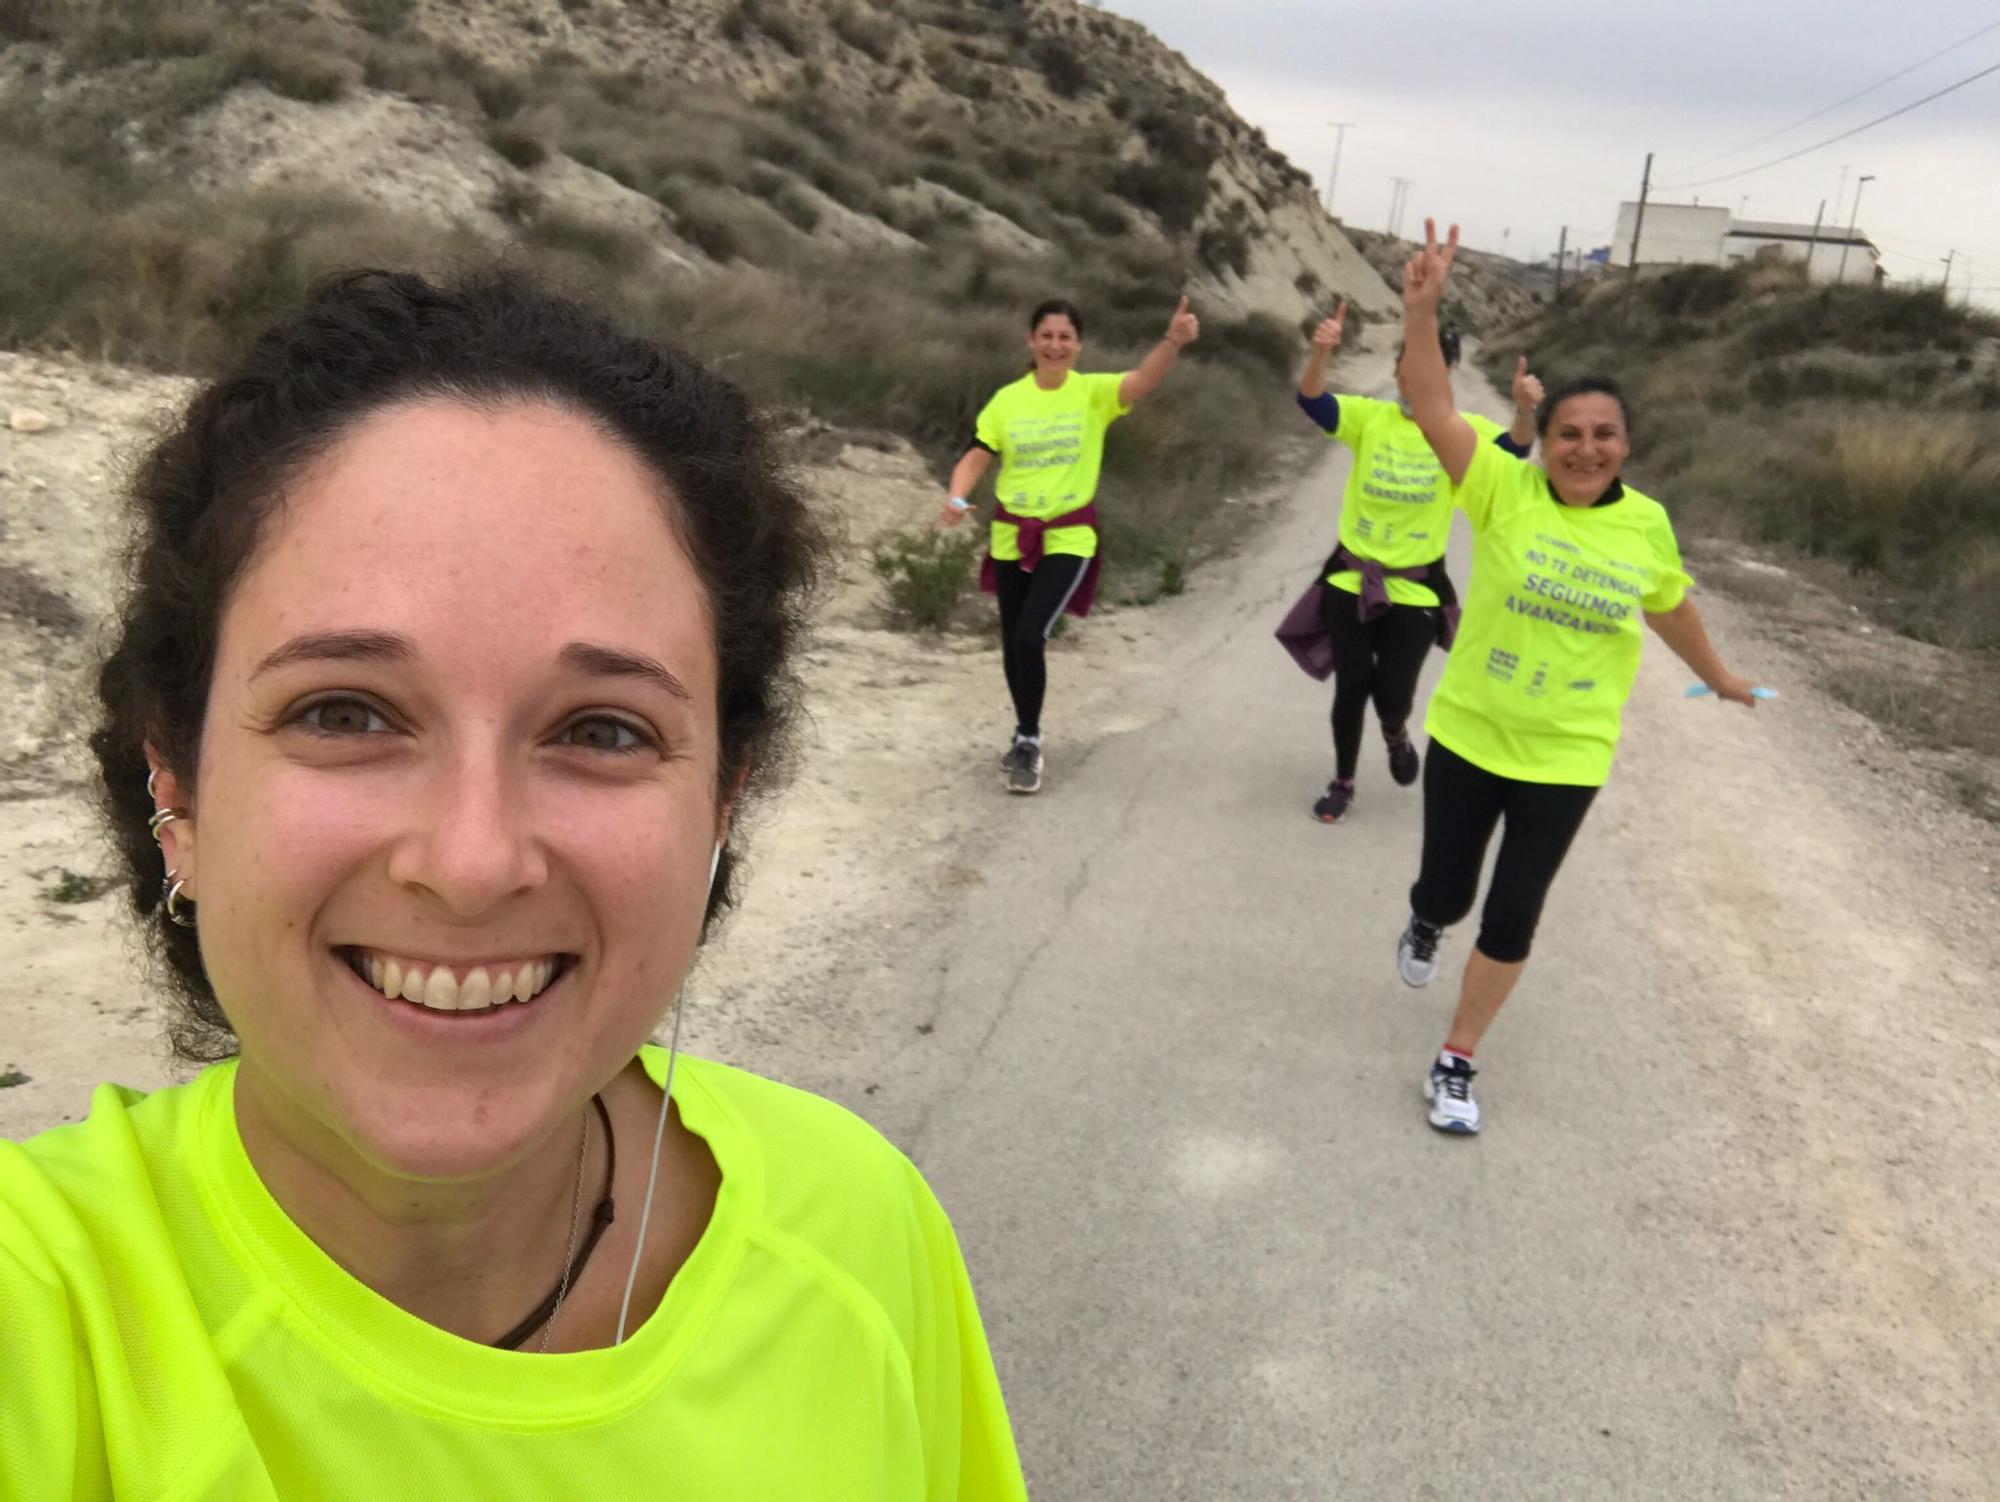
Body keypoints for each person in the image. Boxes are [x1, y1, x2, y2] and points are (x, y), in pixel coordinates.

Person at [0, 270, 1029, 1498]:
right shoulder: (42, 1314)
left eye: (600, 729)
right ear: (177, 780)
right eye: (345, 711)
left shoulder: (862, 1225)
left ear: (724, 800)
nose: (473, 859)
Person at [1393, 221, 1758, 1136]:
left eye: (1604, 436)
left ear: (1626, 445)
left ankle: (1456, 1058)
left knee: (1515, 911)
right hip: (1474, 733)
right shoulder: (1501, 486)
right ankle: (1427, 919)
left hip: (1569, 754)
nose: (1585, 449)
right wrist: (1422, 310)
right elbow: (1432, 406)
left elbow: (1667, 604)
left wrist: (1718, 676)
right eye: (1569, 433)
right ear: (1544, 437)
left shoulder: (1647, 526)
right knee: (1448, 890)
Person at [1290, 299, 1540, 823]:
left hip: (1417, 586)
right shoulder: (1369, 419)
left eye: (1429, 367)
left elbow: (1514, 453)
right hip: (1352, 577)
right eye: (1408, 363)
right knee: (1351, 684)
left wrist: (1524, 410)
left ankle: (1396, 731)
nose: (1414, 376)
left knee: (1392, 694)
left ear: (1445, 374)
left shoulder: (1458, 432)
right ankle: (1343, 780)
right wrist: (1320, 354)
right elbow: (1312, 401)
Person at [940, 295, 1199, 794]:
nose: (1055, 345)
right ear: (1031, 341)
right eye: (1046, 335)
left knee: (1029, 635)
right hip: (1012, 533)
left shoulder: (1093, 393)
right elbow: (977, 454)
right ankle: (1021, 731)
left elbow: (1141, 382)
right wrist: (956, 496)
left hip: (1068, 535)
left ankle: (1030, 742)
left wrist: (1172, 342)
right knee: (1013, 641)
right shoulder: (1007, 400)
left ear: (1078, 345)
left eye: (1065, 337)